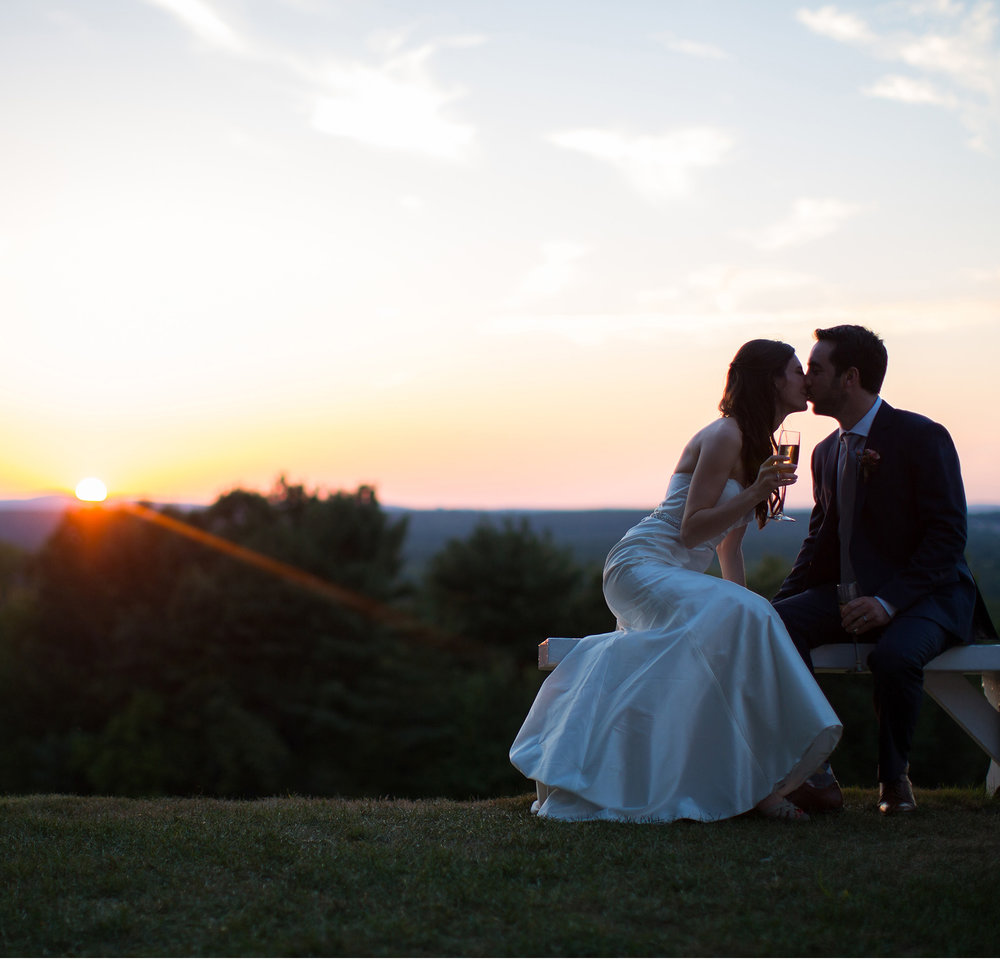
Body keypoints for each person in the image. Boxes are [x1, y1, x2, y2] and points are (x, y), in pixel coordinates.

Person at [509, 340, 842, 823]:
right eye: (796, 371)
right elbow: (692, 529)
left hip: (674, 575)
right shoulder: (725, 434)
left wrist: (747, 607)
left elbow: (729, 547)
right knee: (748, 615)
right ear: (772, 379)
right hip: (639, 566)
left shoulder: (754, 446)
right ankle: (766, 790)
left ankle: (760, 783)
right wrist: (756, 491)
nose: (805, 380)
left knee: (748, 621)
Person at [772, 324, 994, 816]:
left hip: (930, 597)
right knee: (775, 626)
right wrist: (773, 606)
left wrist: (888, 601)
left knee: (893, 657)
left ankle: (894, 781)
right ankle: (813, 769)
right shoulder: (826, 451)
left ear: (850, 377)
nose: (807, 380)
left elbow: (946, 538)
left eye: (817, 368)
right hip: (852, 595)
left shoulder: (922, 435)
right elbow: (818, 543)